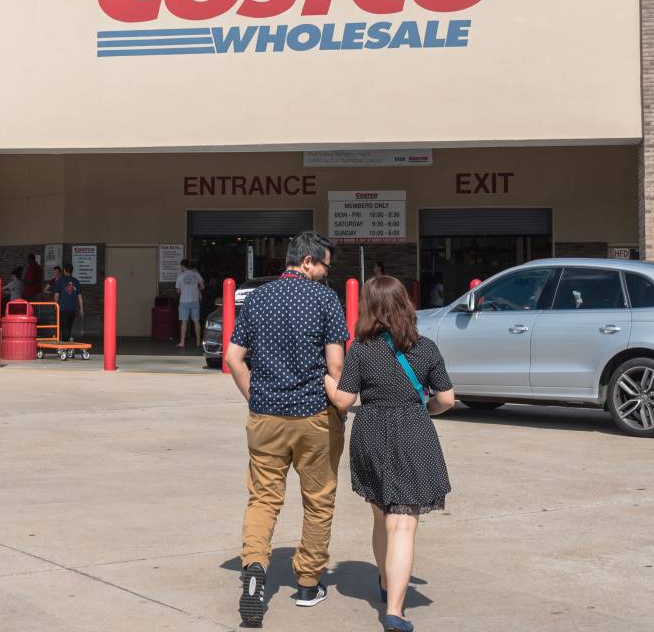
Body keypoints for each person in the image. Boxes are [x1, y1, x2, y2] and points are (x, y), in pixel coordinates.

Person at [224, 231, 349, 625]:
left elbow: (232, 357)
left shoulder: (258, 298)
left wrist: (254, 396)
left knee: (262, 499)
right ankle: (309, 583)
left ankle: (255, 572)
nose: (326, 274)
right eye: (325, 266)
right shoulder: (326, 299)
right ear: (309, 261)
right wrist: (340, 406)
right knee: (318, 499)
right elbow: (337, 367)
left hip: (267, 418)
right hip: (315, 417)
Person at [322, 276, 455, 632]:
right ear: (405, 306)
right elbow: (446, 399)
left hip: (371, 434)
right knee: (403, 525)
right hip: (413, 431)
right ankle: (395, 610)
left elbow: (345, 399)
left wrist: (324, 377)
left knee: (382, 518)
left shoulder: (361, 350)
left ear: (369, 309)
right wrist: (424, 407)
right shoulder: (425, 347)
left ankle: (384, 580)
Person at [49, 263, 82, 342]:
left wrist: (55, 305)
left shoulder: (60, 281)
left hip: (62, 308)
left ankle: (64, 346)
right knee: (68, 327)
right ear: (72, 271)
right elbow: (79, 296)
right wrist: (81, 308)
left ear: (64, 270)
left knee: (64, 327)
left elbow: (56, 295)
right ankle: (67, 343)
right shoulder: (76, 281)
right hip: (73, 309)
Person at [175, 259, 204, 348]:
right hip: (195, 300)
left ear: (183, 266)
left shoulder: (180, 276)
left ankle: (182, 342)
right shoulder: (196, 274)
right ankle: (198, 341)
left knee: (184, 322)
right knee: (196, 321)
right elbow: (202, 286)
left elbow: (178, 290)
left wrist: (184, 290)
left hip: (184, 301)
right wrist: (197, 290)